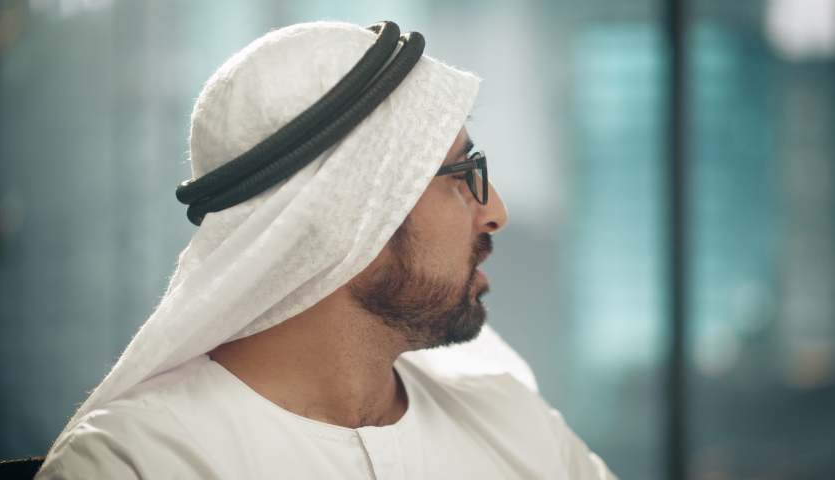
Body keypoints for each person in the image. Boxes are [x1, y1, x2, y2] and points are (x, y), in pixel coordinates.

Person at [35, 21, 617, 479]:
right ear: (348, 218)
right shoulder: (137, 461)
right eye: (461, 175)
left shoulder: (516, 424)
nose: (495, 213)